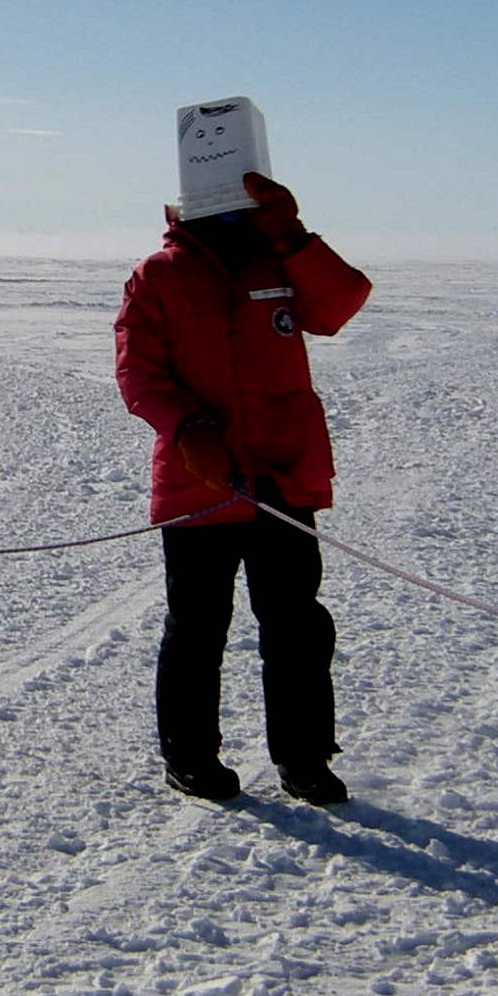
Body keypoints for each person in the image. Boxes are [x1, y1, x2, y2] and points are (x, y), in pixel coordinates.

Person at [114, 171, 372, 807]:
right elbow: (138, 371)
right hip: (199, 482)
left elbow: (339, 306)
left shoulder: (277, 258)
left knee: (295, 625)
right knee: (198, 627)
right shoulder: (158, 275)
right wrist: (187, 428)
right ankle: (189, 757)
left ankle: (304, 759)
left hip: (283, 474)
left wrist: (291, 233)